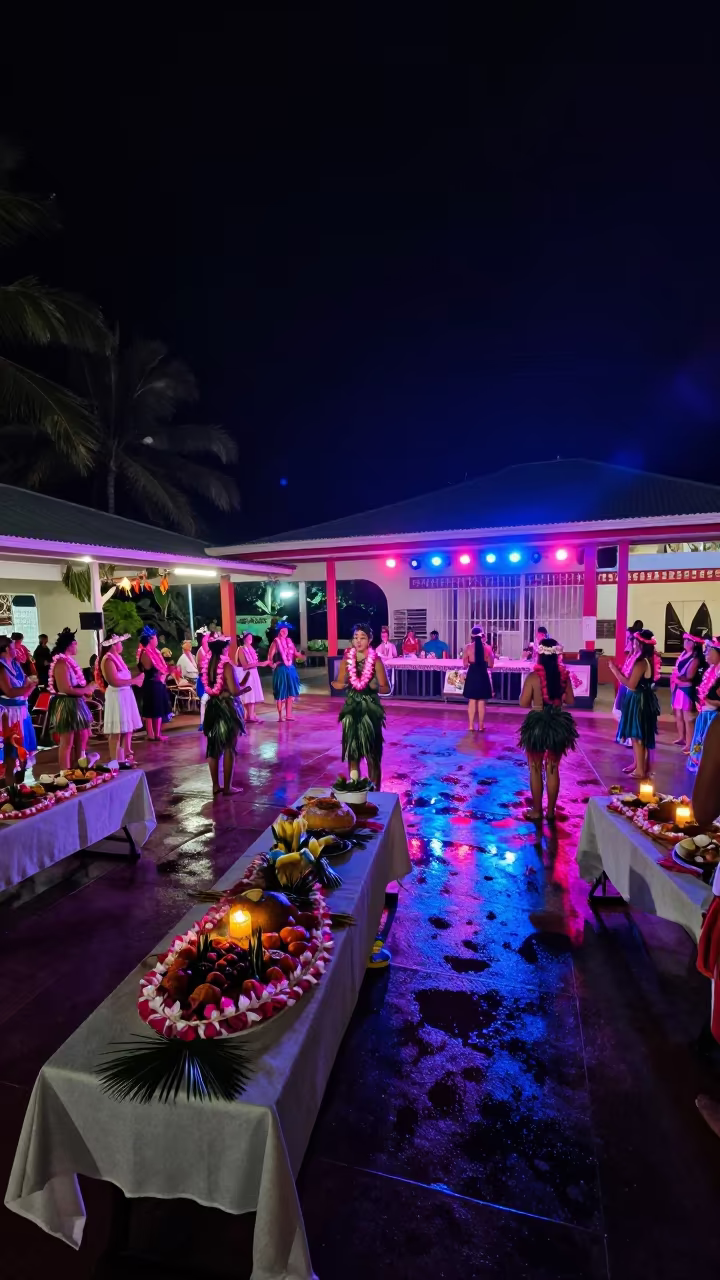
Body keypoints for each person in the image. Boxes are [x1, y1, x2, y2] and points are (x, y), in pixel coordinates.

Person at [519, 636, 577, 822]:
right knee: (553, 768)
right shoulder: (564, 676)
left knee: (535, 768)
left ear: (539, 655)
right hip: (558, 723)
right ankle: (550, 812)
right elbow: (571, 700)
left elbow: (523, 703)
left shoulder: (533, 677)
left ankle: (537, 811)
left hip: (537, 723)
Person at [332, 622, 389, 788]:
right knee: (353, 751)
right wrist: (337, 684)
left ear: (370, 640)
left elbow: (387, 688)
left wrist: (376, 687)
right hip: (352, 708)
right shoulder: (346, 660)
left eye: (362, 638)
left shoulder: (376, 661)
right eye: (355, 637)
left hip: (370, 709)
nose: (358, 641)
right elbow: (339, 682)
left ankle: (375, 790)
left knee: (372, 753)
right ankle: (355, 786)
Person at [608, 629, 660, 779]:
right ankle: (637, 764)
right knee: (635, 734)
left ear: (640, 644)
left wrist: (614, 671)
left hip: (639, 700)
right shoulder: (642, 659)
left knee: (638, 736)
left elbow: (631, 684)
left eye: (634, 641)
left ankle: (640, 770)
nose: (632, 644)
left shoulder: (641, 662)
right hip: (638, 698)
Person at [201, 635, 248, 795]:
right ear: (223, 648)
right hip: (226, 709)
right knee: (229, 746)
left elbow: (211, 687)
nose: (228, 649)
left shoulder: (207, 665)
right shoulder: (226, 665)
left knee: (213, 747)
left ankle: (215, 785)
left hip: (212, 707)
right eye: (227, 647)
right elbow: (234, 691)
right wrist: (244, 689)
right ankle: (227, 787)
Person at [48, 627, 96, 771]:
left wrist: (87, 689)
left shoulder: (68, 662)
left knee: (82, 737)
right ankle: (65, 774)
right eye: (75, 643)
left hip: (76, 703)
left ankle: (80, 767)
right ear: (69, 645)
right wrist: (86, 690)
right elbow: (65, 689)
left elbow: (74, 685)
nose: (77, 646)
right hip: (67, 704)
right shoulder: (61, 664)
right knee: (67, 742)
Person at [99, 633, 144, 766]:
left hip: (125, 695)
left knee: (127, 729)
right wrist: (134, 681)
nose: (122, 645)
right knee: (116, 731)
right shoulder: (108, 660)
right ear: (113, 645)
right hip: (116, 696)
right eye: (120, 643)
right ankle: (115, 760)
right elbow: (114, 681)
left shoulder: (117, 657)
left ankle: (124, 758)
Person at [0, 635, 37, 782]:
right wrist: (28, 689)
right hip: (8, 715)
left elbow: (25, 682)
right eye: (14, 647)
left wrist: (30, 684)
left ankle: (20, 785)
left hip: (22, 712)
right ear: (6, 649)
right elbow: (9, 691)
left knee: (23, 751)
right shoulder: (1, 667)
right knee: (11, 754)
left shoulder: (15, 664)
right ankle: (11, 790)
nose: (17, 649)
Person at [687, 637, 720, 773]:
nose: (706, 653)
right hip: (705, 716)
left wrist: (706, 700)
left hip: (713, 719)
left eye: (709, 651)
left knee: (709, 747)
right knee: (700, 743)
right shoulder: (711, 670)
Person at [137, 626, 173, 743]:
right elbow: (148, 668)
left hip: (158, 684)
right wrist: (160, 672)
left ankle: (158, 734)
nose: (157, 640)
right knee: (151, 709)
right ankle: (151, 734)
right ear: (150, 640)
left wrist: (166, 672)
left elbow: (162, 668)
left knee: (158, 709)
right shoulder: (145, 653)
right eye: (155, 638)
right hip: (151, 684)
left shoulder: (156, 651)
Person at [670, 633, 705, 752]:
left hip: (686, 689)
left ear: (694, 644)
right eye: (685, 640)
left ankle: (690, 744)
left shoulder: (695, 659)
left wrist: (677, 678)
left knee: (687, 718)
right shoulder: (684, 654)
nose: (685, 642)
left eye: (688, 641)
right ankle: (681, 737)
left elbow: (689, 676)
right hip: (678, 687)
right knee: (678, 714)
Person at [613, 619, 645, 742]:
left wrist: (615, 671)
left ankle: (630, 739)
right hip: (625, 686)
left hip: (632, 690)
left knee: (626, 713)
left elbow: (632, 680)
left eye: (629, 639)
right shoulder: (632, 655)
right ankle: (624, 736)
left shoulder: (640, 659)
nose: (627, 642)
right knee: (619, 710)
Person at [267, 622, 305, 721]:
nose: (285, 632)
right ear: (279, 631)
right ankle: (280, 716)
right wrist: (273, 664)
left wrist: (301, 655)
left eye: (286, 630)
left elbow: (295, 653)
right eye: (283, 630)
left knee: (291, 692)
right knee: (281, 692)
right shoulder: (276, 642)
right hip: (281, 669)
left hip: (290, 668)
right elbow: (270, 657)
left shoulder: (290, 641)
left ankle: (289, 715)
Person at [462, 625, 495, 731]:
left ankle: (471, 726)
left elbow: (465, 664)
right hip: (483, 674)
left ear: (471, 635)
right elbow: (491, 665)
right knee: (481, 701)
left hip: (472, 674)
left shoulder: (467, 647)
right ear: (482, 635)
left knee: (472, 700)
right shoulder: (488, 648)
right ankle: (481, 726)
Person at [235, 632, 268, 723]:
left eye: (251, 637)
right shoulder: (241, 649)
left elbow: (254, 662)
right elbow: (245, 665)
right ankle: (249, 715)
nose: (250, 638)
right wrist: (260, 664)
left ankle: (251, 715)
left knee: (253, 695)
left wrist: (259, 664)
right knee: (248, 694)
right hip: (246, 674)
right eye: (248, 637)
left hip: (253, 673)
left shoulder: (251, 648)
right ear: (244, 639)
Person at [194, 627, 211, 728]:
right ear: (203, 640)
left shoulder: (210, 650)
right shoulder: (200, 652)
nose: (208, 639)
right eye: (207, 638)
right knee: (204, 700)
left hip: (210, 678)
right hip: (203, 680)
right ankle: (202, 723)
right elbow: (201, 668)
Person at [376, 626, 397, 692]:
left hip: (389, 665)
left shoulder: (391, 645)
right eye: (383, 636)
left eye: (385, 636)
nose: (384, 638)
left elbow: (395, 655)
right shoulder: (379, 647)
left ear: (388, 637)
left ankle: (390, 690)